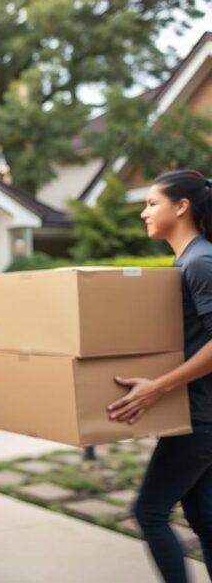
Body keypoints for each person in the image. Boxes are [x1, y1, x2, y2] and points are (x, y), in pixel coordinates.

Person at [109, 170, 212, 583]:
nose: (143, 212)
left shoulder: (200, 261)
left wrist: (158, 387)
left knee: (149, 511)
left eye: (152, 203)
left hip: (202, 417)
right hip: (198, 415)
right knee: (204, 517)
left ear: (181, 206)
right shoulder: (187, 259)